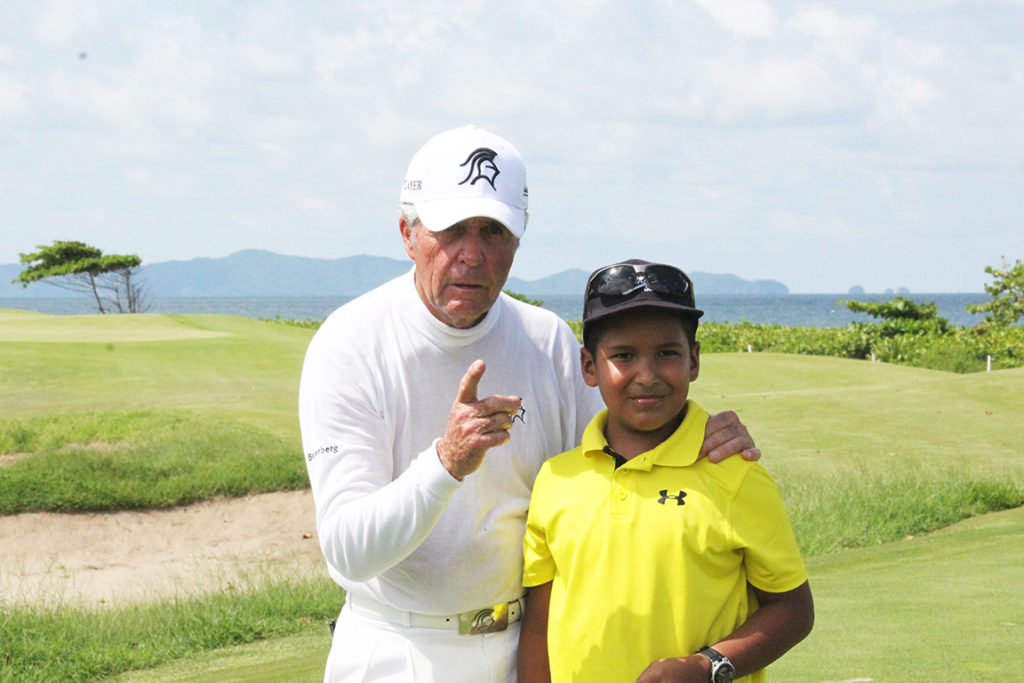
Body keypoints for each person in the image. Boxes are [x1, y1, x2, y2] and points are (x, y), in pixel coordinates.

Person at [298, 126, 760, 683]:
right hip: (395, 647)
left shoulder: (547, 341)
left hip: (527, 647)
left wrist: (698, 436)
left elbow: (616, 466)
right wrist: (445, 463)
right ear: (408, 234)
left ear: (518, 239)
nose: (473, 255)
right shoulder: (350, 342)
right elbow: (349, 551)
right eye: (452, 230)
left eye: (494, 231)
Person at [517, 260, 814, 683]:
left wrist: (706, 666)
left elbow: (793, 609)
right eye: (623, 356)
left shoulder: (736, 476)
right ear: (589, 367)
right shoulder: (557, 479)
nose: (647, 375)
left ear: (693, 360)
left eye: (667, 354)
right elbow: (539, 622)